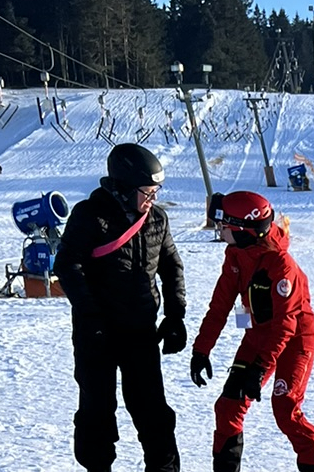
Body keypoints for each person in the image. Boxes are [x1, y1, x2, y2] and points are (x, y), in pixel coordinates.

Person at [55, 142, 187, 472]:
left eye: (156, 192)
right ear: (124, 188)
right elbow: (67, 265)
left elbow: (172, 266)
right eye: (147, 192)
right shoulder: (89, 216)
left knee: (153, 410)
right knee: (97, 410)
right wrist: (91, 316)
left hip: (140, 331)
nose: (152, 198)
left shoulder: (157, 219)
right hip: (97, 333)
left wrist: (175, 316)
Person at [191, 191, 314, 472]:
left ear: (243, 230)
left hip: (294, 339)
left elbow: (285, 325)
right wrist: (201, 350)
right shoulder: (235, 255)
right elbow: (219, 306)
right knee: (228, 407)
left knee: (285, 409)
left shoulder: (281, 265)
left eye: (224, 226)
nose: (220, 231)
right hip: (258, 335)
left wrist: (259, 368)